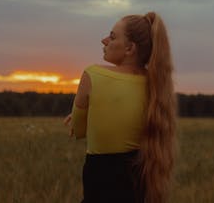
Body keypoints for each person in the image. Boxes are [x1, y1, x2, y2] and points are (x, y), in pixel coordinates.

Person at [63, 12, 177, 203]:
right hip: (139, 191)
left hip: (100, 189)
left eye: (113, 36)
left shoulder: (93, 75)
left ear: (130, 48)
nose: (104, 40)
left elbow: (79, 130)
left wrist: (84, 113)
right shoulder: (156, 86)